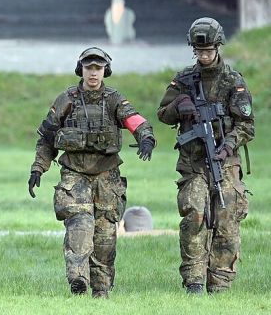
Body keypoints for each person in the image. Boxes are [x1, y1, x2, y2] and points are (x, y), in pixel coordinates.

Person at [29, 47, 155, 298]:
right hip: (75, 174)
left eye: (98, 68)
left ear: (104, 71)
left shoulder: (114, 100)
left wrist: (145, 137)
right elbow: (47, 136)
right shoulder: (67, 99)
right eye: (89, 68)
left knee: (105, 237)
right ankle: (78, 279)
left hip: (107, 176)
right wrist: (38, 168)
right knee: (80, 225)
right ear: (82, 70)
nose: (93, 73)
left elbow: (135, 121)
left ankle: (101, 290)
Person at [157, 17, 254, 294]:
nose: (205, 55)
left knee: (227, 219)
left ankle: (220, 282)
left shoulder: (233, 81)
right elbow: (163, 114)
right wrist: (180, 104)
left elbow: (247, 124)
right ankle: (194, 281)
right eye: (200, 51)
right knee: (194, 216)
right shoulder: (184, 79)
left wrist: (228, 145)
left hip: (225, 162)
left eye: (209, 50)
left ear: (218, 47)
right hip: (193, 163)